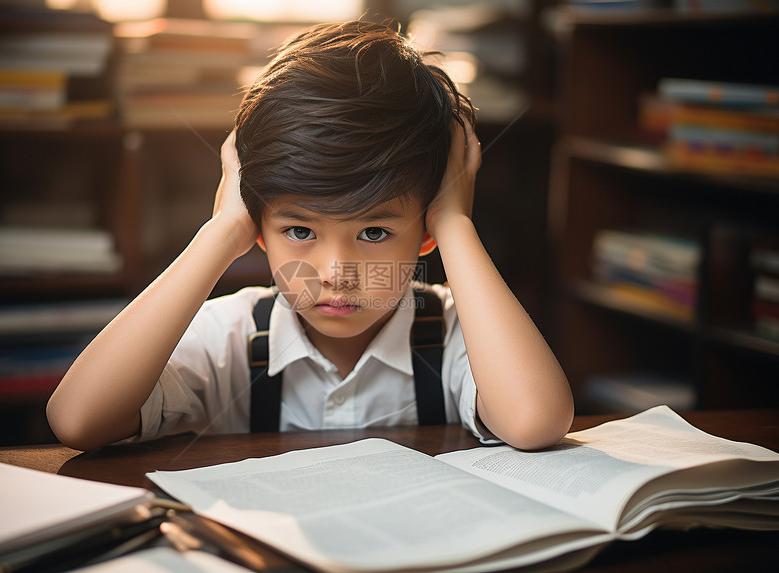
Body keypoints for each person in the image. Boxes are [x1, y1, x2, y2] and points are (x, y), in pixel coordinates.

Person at [46, 20, 573, 451]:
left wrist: (457, 223)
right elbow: (77, 421)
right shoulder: (230, 340)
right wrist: (223, 228)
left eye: (374, 231)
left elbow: (536, 422)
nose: (334, 274)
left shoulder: (461, 336)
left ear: (425, 230)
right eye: (299, 229)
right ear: (259, 229)